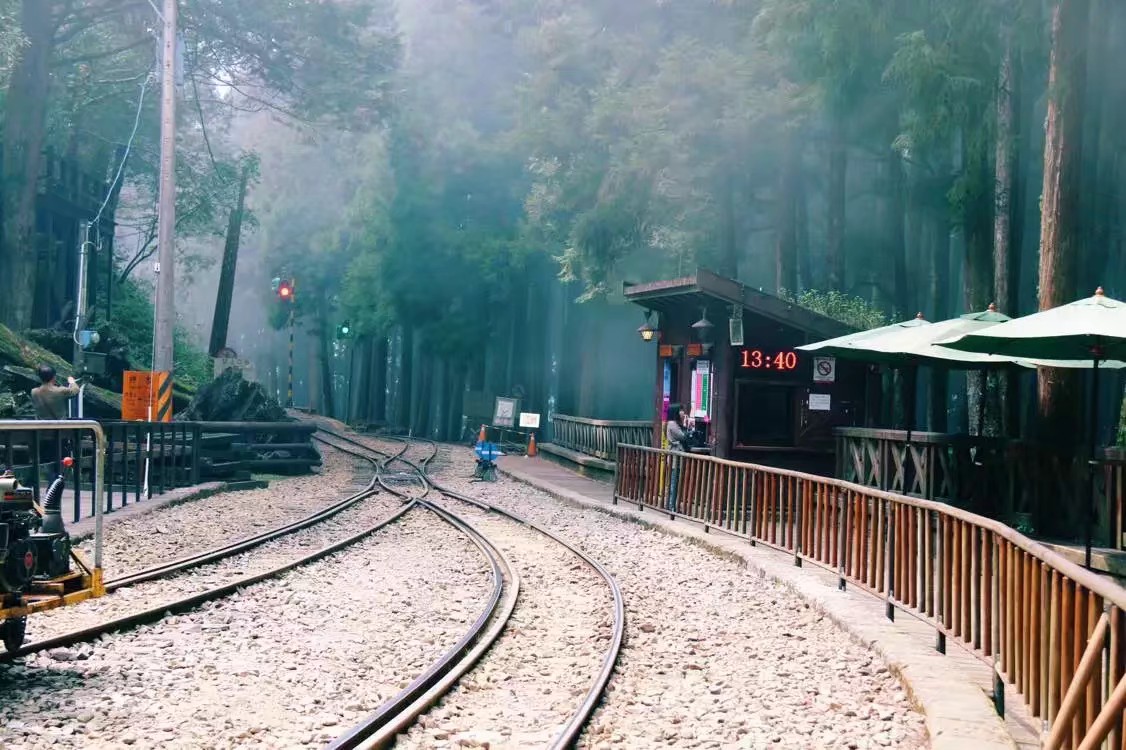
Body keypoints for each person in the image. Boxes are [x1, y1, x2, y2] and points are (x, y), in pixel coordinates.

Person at [30, 365, 79, 478]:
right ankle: (53, 490)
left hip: (42, 435)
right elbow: (75, 390)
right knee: (59, 466)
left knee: (43, 465)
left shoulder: (34, 392)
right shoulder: (60, 391)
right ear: (53, 377)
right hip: (59, 435)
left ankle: (33, 489)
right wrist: (71, 381)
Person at [665, 404, 688, 512]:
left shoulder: (674, 423)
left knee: (675, 481)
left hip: (676, 455)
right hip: (675, 456)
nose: (682, 412)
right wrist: (686, 424)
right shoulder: (672, 424)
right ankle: (671, 506)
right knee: (674, 481)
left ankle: (671, 505)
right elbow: (683, 436)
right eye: (680, 410)